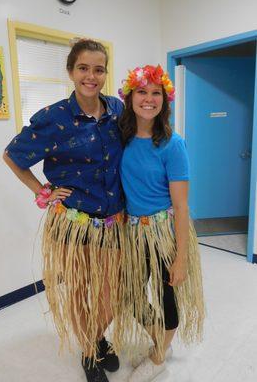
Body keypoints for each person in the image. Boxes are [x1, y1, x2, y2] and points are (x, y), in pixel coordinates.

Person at [3, 39, 126, 382]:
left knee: (110, 294)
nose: (91, 76)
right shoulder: (52, 118)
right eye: (83, 68)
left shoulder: (117, 109)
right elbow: (13, 155)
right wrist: (43, 192)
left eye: (98, 69)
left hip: (114, 222)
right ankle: (89, 350)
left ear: (105, 73)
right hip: (75, 225)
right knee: (80, 290)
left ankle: (98, 336)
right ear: (71, 71)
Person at [118, 65, 205, 381]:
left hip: (164, 233)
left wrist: (180, 257)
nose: (149, 99)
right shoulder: (122, 136)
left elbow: (181, 207)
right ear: (130, 97)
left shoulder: (172, 143)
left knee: (167, 295)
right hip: (131, 232)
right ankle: (160, 340)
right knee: (131, 297)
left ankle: (158, 358)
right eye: (142, 91)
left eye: (156, 93)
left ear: (165, 100)